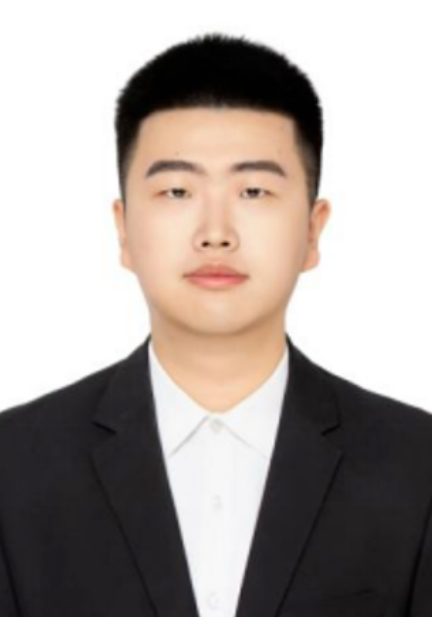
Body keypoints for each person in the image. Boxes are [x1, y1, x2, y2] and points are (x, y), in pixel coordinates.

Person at [0, 31, 431, 617]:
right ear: (123, 229)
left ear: (312, 230)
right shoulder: (14, 467)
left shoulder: (417, 466)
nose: (215, 233)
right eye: (177, 190)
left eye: (253, 191)